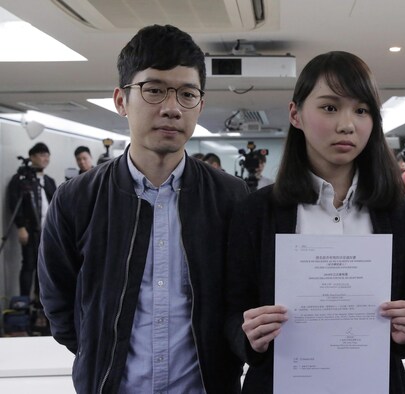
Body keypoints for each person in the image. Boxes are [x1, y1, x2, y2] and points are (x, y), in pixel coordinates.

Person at [38, 25, 248, 393]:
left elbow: (241, 298)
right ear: (121, 100)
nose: (171, 108)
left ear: (200, 105)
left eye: (187, 94)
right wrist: (100, 353)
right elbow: (59, 305)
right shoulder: (76, 199)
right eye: (153, 91)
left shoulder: (230, 198)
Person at [227, 51, 405, 394]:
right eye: (330, 107)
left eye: (361, 110)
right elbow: (232, 312)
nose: (347, 124)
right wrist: (250, 336)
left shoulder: (398, 213)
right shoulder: (257, 211)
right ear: (295, 114)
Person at [7, 142, 56, 298]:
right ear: (32, 157)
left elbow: (55, 203)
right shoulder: (21, 179)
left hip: (48, 232)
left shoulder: (49, 181)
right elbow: (14, 201)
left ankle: (40, 305)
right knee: (29, 265)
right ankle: (24, 303)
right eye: (42, 155)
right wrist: (21, 227)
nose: (45, 158)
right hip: (30, 230)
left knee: (44, 268)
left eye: (47, 155)